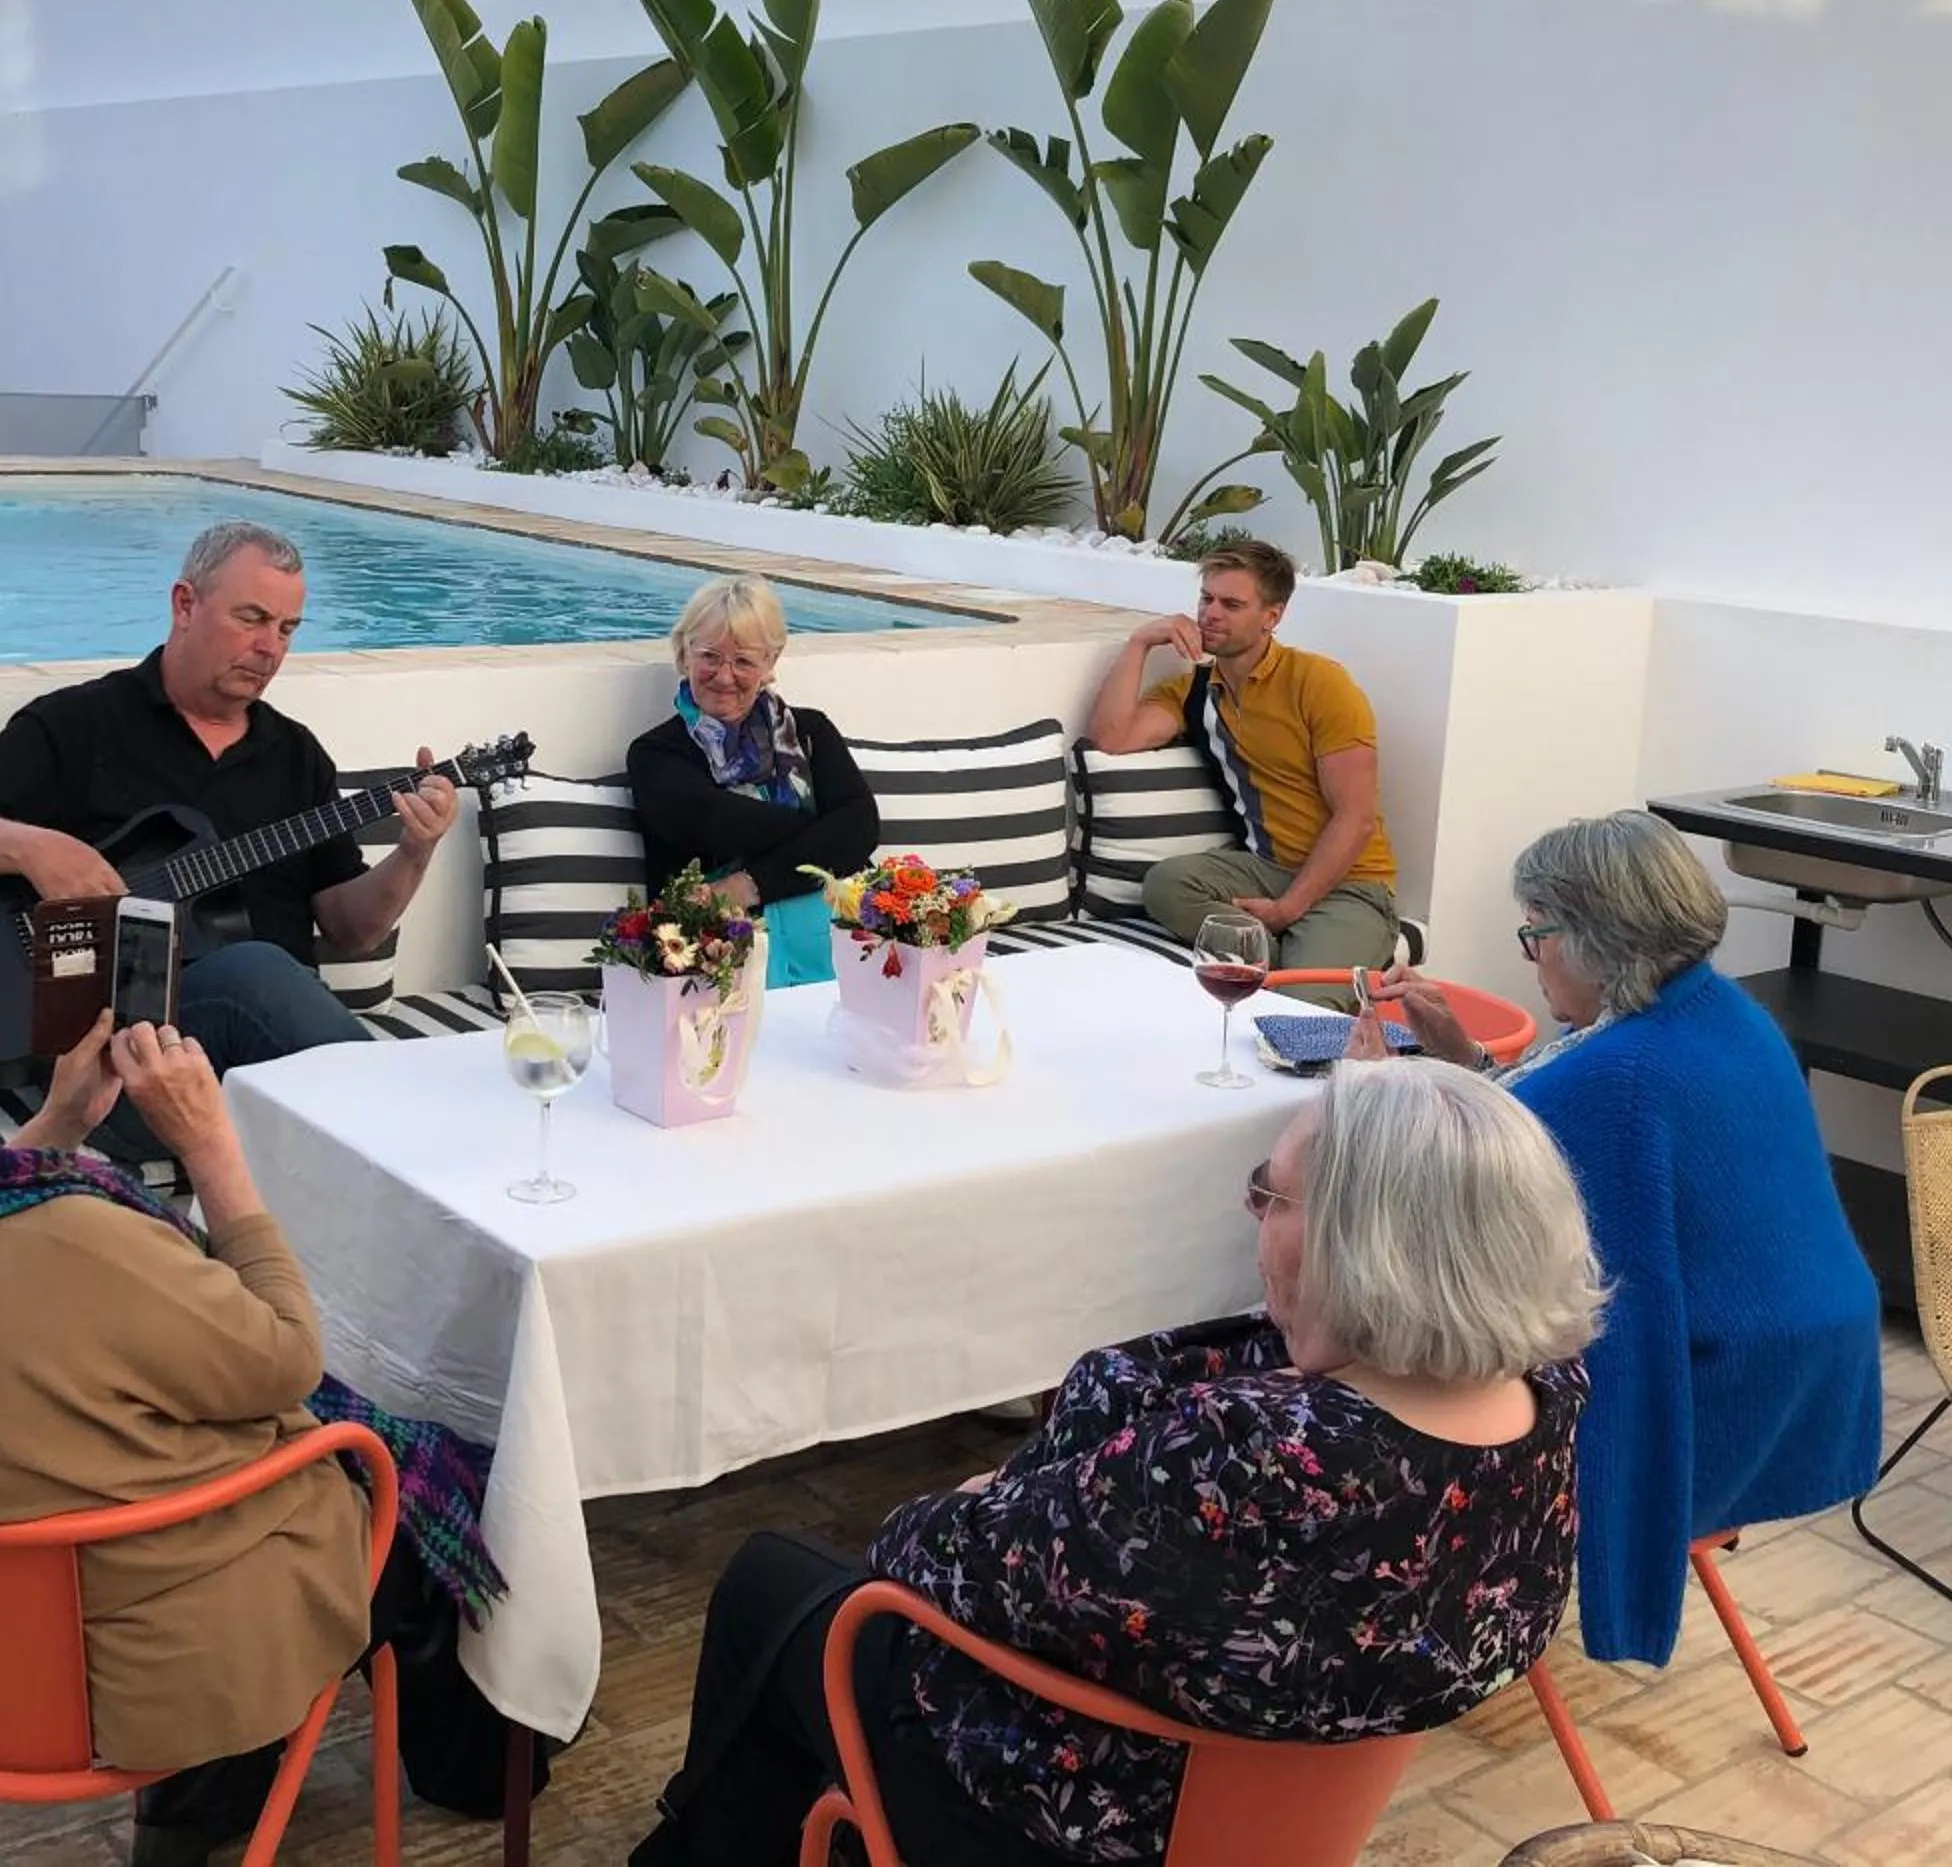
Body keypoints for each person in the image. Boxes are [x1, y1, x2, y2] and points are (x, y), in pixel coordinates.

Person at [0, 866, 535, 1866]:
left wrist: (59, 1125)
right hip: (151, 1658)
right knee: (414, 1481)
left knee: (157, 1447)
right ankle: (483, 1778)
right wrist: (214, 1150)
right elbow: (281, 1357)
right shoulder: (69, 1241)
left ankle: (204, 1807)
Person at [632, 1059, 1602, 1867]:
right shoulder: (1540, 1404)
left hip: (1085, 1819)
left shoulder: (1239, 1464)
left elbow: (920, 1557)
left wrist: (988, 1498)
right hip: (1285, 1822)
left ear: (1370, 1245)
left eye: (1271, 1195)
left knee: (776, 1583)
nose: (1252, 1220)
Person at [1359, 809, 1884, 1665]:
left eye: (1536, 932)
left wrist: (1373, 1094)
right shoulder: (1721, 1011)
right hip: (1801, 1376)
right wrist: (1459, 1060)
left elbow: (1454, 1198)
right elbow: (1554, 1137)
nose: (1532, 955)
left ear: (1594, 937)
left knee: (1380, 1322)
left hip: (1709, 1402)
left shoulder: (1621, 1073)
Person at [0, 520, 456, 1152]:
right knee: (254, 970)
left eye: (287, 629)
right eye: (251, 618)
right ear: (185, 604)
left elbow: (355, 931)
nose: (270, 647)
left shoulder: (295, 755)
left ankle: (393, 1146)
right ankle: (429, 1141)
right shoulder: (83, 723)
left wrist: (415, 850)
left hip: (277, 1059)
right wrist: (34, 847)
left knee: (263, 978)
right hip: (126, 1057)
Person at [1083, 539, 1399, 993]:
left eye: (1232, 604)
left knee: (1302, 1005)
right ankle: (1283, 951)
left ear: (1272, 617)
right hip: (1264, 867)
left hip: (1349, 883)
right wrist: (1140, 643)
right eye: (1206, 599)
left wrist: (1289, 909)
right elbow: (1111, 739)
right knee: (1166, 885)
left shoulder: (1319, 683)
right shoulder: (1196, 690)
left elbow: (1357, 820)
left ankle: (1307, 954)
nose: (1211, 614)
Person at [626, 573, 879, 989]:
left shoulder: (811, 733)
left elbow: (863, 826)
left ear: (770, 663)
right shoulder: (656, 753)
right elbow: (714, 822)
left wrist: (746, 885)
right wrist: (830, 836)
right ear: (683, 653)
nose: (724, 676)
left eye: (743, 660)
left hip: (839, 961)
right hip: (717, 969)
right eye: (709, 655)